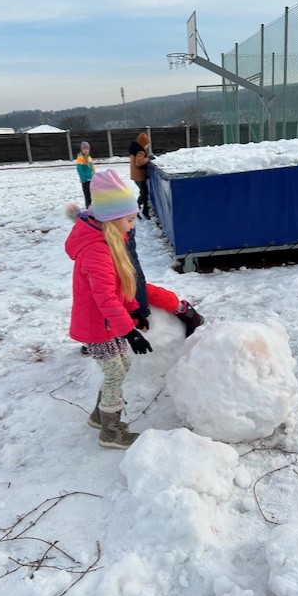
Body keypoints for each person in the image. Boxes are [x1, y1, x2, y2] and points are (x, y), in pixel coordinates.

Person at [65, 169, 204, 449]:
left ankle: (99, 415)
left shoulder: (112, 242)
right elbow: (105, 298)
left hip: (108, 323)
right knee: (115, 372)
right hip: (96, 326)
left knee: (123, 366)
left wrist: (134, 309)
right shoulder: (97, 251)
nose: (132, 225)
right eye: (129, 219)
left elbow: (121, 285)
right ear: (112, 219)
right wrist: (130, 332)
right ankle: (110, 431)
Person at [128, 132, 152, 219]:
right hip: (140, 176)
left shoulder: (135, 149)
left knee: (144, 193)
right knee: (144, 194)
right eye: (147, 144)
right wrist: (148, 158)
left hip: (136, 176)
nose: (147, 146)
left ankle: (141, 210)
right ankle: (139, 210)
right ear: (143, 143)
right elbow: (139, 163)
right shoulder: (140, 151)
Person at [76, 141, 95, 208]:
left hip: (91, 178)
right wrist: (83, 178)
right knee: (87, 194)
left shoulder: (89, 157)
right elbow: (79, 169)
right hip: (85, 180)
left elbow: (92, 167)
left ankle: (92, 206)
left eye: (87, 149)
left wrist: (94, 174)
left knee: (92, 194)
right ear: (81, 149)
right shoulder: (80, 158)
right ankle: (88, 207)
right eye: (84, 149)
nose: (86, 150)